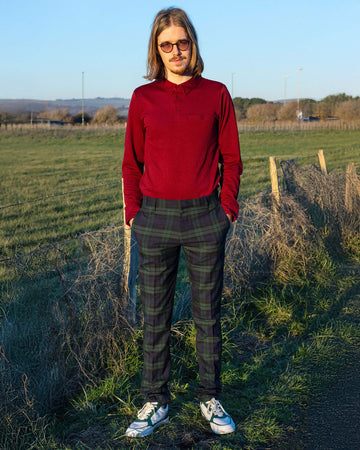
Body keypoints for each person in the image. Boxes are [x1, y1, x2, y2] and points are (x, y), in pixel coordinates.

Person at [122, 7, 242, 438]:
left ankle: (210, 397)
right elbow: (130, 164)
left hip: (205, 217)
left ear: (193, 44)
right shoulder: (143, 99)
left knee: (207, 314)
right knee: (155, 315)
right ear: (157, 50)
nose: (176, 51)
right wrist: (135, 213)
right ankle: (155, 401)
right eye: (166, 45)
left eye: (182, 42)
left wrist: (226, 210)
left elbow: (232, 158)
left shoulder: (217, 94)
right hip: (154, 219)